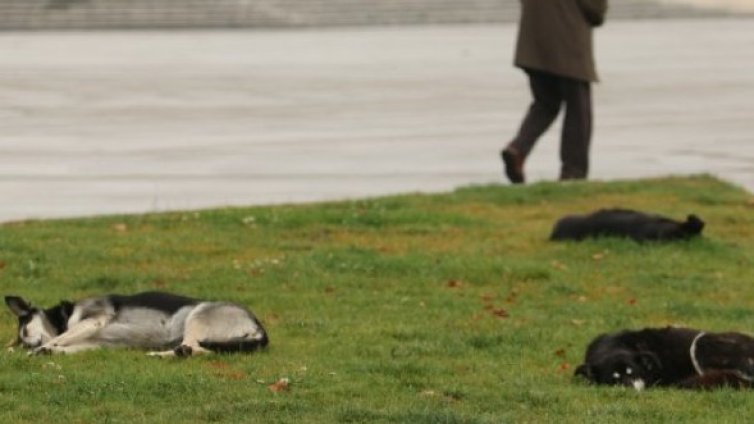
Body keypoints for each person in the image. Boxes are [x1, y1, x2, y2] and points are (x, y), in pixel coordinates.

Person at [502, 0, 608, 184]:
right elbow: (594, 7)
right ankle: (573, 172)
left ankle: (518, 149)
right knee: (578, 108)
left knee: (545, 103)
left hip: (533, 40)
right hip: (567, 38)